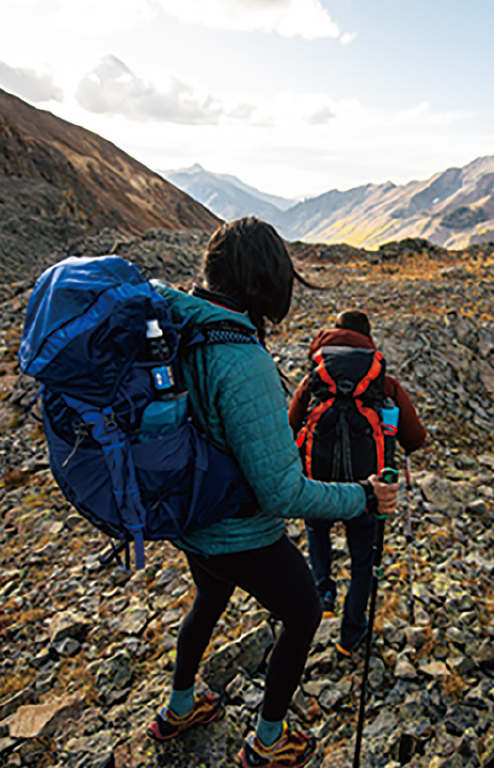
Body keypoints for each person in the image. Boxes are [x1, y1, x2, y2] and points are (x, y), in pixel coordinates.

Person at [146, 218, 398, 768]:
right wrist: (363, 495)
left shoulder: (181, 326)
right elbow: (283, 492)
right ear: (266, 282)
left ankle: (180, 706)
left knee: (210, 598)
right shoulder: (242, 359)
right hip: (238, 528)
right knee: (303, 613)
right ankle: (268, 740)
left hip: (191, 516)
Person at [288, 310, 426, 657]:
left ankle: (324, 596)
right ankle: (350, 636)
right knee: (363, 559)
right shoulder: (383, 382)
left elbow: (290, 426)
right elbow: (416, 439)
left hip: (317, 480)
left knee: (317, 530)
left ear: (334, 334)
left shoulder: (314, 378)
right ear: (368, 339)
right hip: (370, 488)